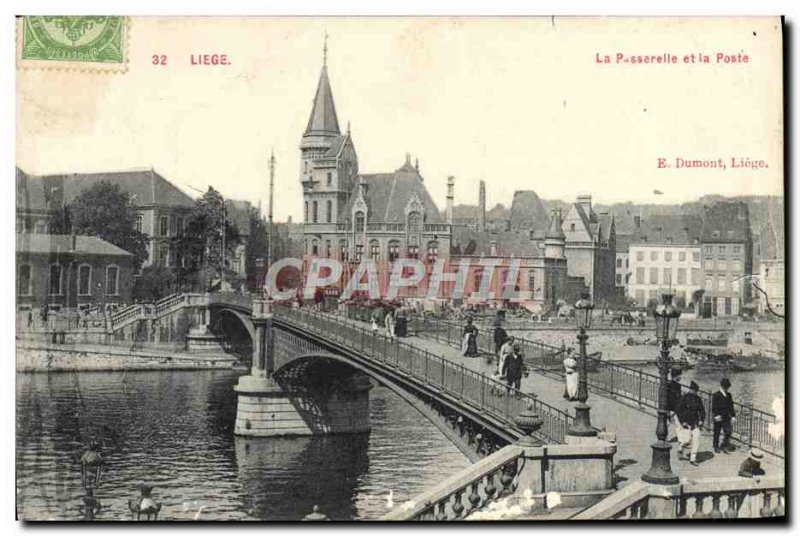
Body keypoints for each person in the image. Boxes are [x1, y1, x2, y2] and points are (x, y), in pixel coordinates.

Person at [677, 381, 705, 466]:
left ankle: (693, 458)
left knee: (696, 439)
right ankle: (681, 446)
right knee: (687, 440)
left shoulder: (698, 399)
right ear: (691, 389)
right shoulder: (684, 398)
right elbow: (679, 410)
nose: (695, 392)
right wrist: (682, 422)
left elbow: (702, 411)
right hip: (686, 423)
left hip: (695, 423)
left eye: (696, 391)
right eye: (694, 390)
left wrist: (701, 420)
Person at [711, 377, 736, 454]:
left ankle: (724, 445)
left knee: (728, 432)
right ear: (722, 386)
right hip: (718, 417)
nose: (726, 388)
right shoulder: (716, 395)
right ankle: (715, 446)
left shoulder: (729, 395)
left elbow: (731, 406)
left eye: (727, 387)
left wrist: (733, 416)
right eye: (725, 387)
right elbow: (714, 407)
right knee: (717, 432)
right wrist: (716, 416)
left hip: (726, 417)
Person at [667, 368, 683, 441]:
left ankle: (680, 439)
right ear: (675, 376)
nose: (680, 377)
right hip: (670, 408)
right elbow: (668, 398)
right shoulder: (669, 385)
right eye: (679, 375)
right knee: (667, 424)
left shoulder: (678, 385)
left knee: (679, 424)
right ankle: (665, 438)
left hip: (676, 409)